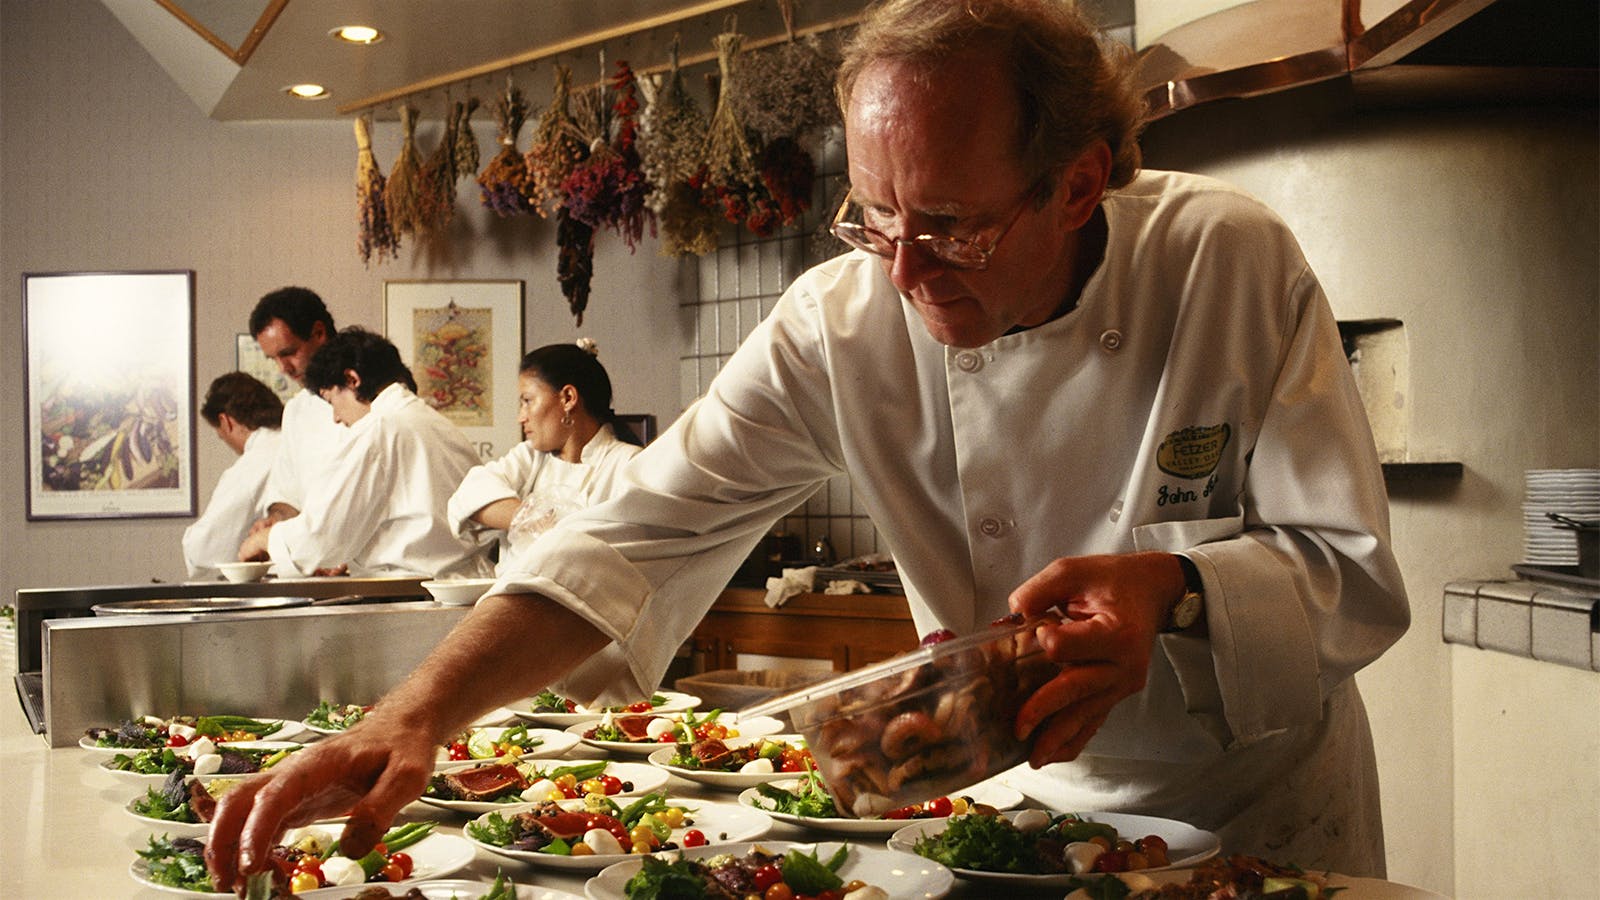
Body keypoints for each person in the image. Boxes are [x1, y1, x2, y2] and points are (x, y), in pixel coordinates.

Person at [207, 0, 1409, 890]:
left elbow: (1353, 574)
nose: (903, 270)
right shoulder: (836, 322)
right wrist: (414, 713)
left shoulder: (1225, 262)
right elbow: (628, 542)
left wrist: (1178, 590)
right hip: (1028, 810)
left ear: (1080, 183)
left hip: (1260, 810)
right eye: (872, 215)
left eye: (947, 226)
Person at [237, 327, 490, 579]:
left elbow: (323, 534)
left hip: (415, 594)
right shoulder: (439, 425)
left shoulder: (379, 429)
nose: (336, 418)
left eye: (331, 401)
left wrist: (265, 539)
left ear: (352, 380)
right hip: (463, 586)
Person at [447, 340, 644, 570]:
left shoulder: (628, 465)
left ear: (568, 398)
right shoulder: (532, 457)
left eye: (528, 401)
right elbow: (468, 495)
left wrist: (554, 534)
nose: (521, 417)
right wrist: (533, 521)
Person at [247, 286, 348, 534]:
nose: (284, 369)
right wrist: (275, 521)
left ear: (318, 333)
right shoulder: (296, 410)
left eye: (288, 353)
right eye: (274, 359)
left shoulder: (372, 397)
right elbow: (287, 495)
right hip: (321, 562)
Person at [181, 373, 284, 579]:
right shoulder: (299, 441)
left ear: (225, 421)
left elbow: (204, 547)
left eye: (221, 437)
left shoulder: (254, 464)